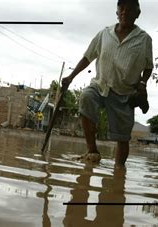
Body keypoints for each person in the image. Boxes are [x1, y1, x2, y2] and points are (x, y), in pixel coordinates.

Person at [62, 0, 153, 165]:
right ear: (117, 12)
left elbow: (148, 66)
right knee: (86, 97)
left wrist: (143, 83)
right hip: (100, 85)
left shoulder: (144, 39)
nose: (125, 12)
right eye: (121, 8)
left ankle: (119, 171)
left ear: (137, 14)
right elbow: (87, 57)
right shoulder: (104, 34)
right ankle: (92, 150)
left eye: (129, 9)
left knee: (122, 138)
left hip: (125, 92)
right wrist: (71, 76)